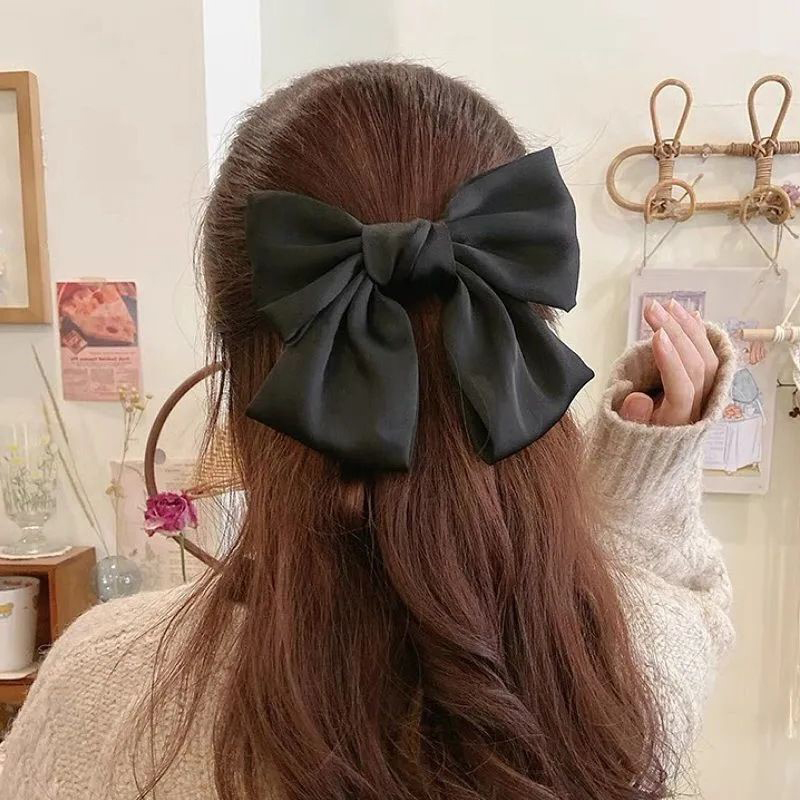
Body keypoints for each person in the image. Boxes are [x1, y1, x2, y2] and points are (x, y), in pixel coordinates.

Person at [0, 62, 735, 800]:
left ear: (241, 371)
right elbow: (676, 609)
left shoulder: (103, 688)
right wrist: (646, 477)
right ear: (524, 341)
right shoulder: (631, 676)